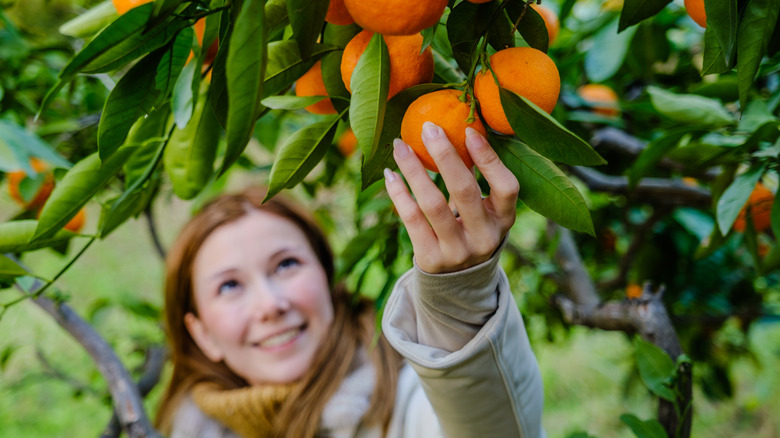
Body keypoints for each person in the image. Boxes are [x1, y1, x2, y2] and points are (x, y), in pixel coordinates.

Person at [155, 122, 545, 438]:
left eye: (286, 265)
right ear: (201, 333)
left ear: (327, 279)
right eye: (229, 286)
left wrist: (460, 301)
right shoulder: (187, 428)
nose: (270, 305)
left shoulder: (404, 400)